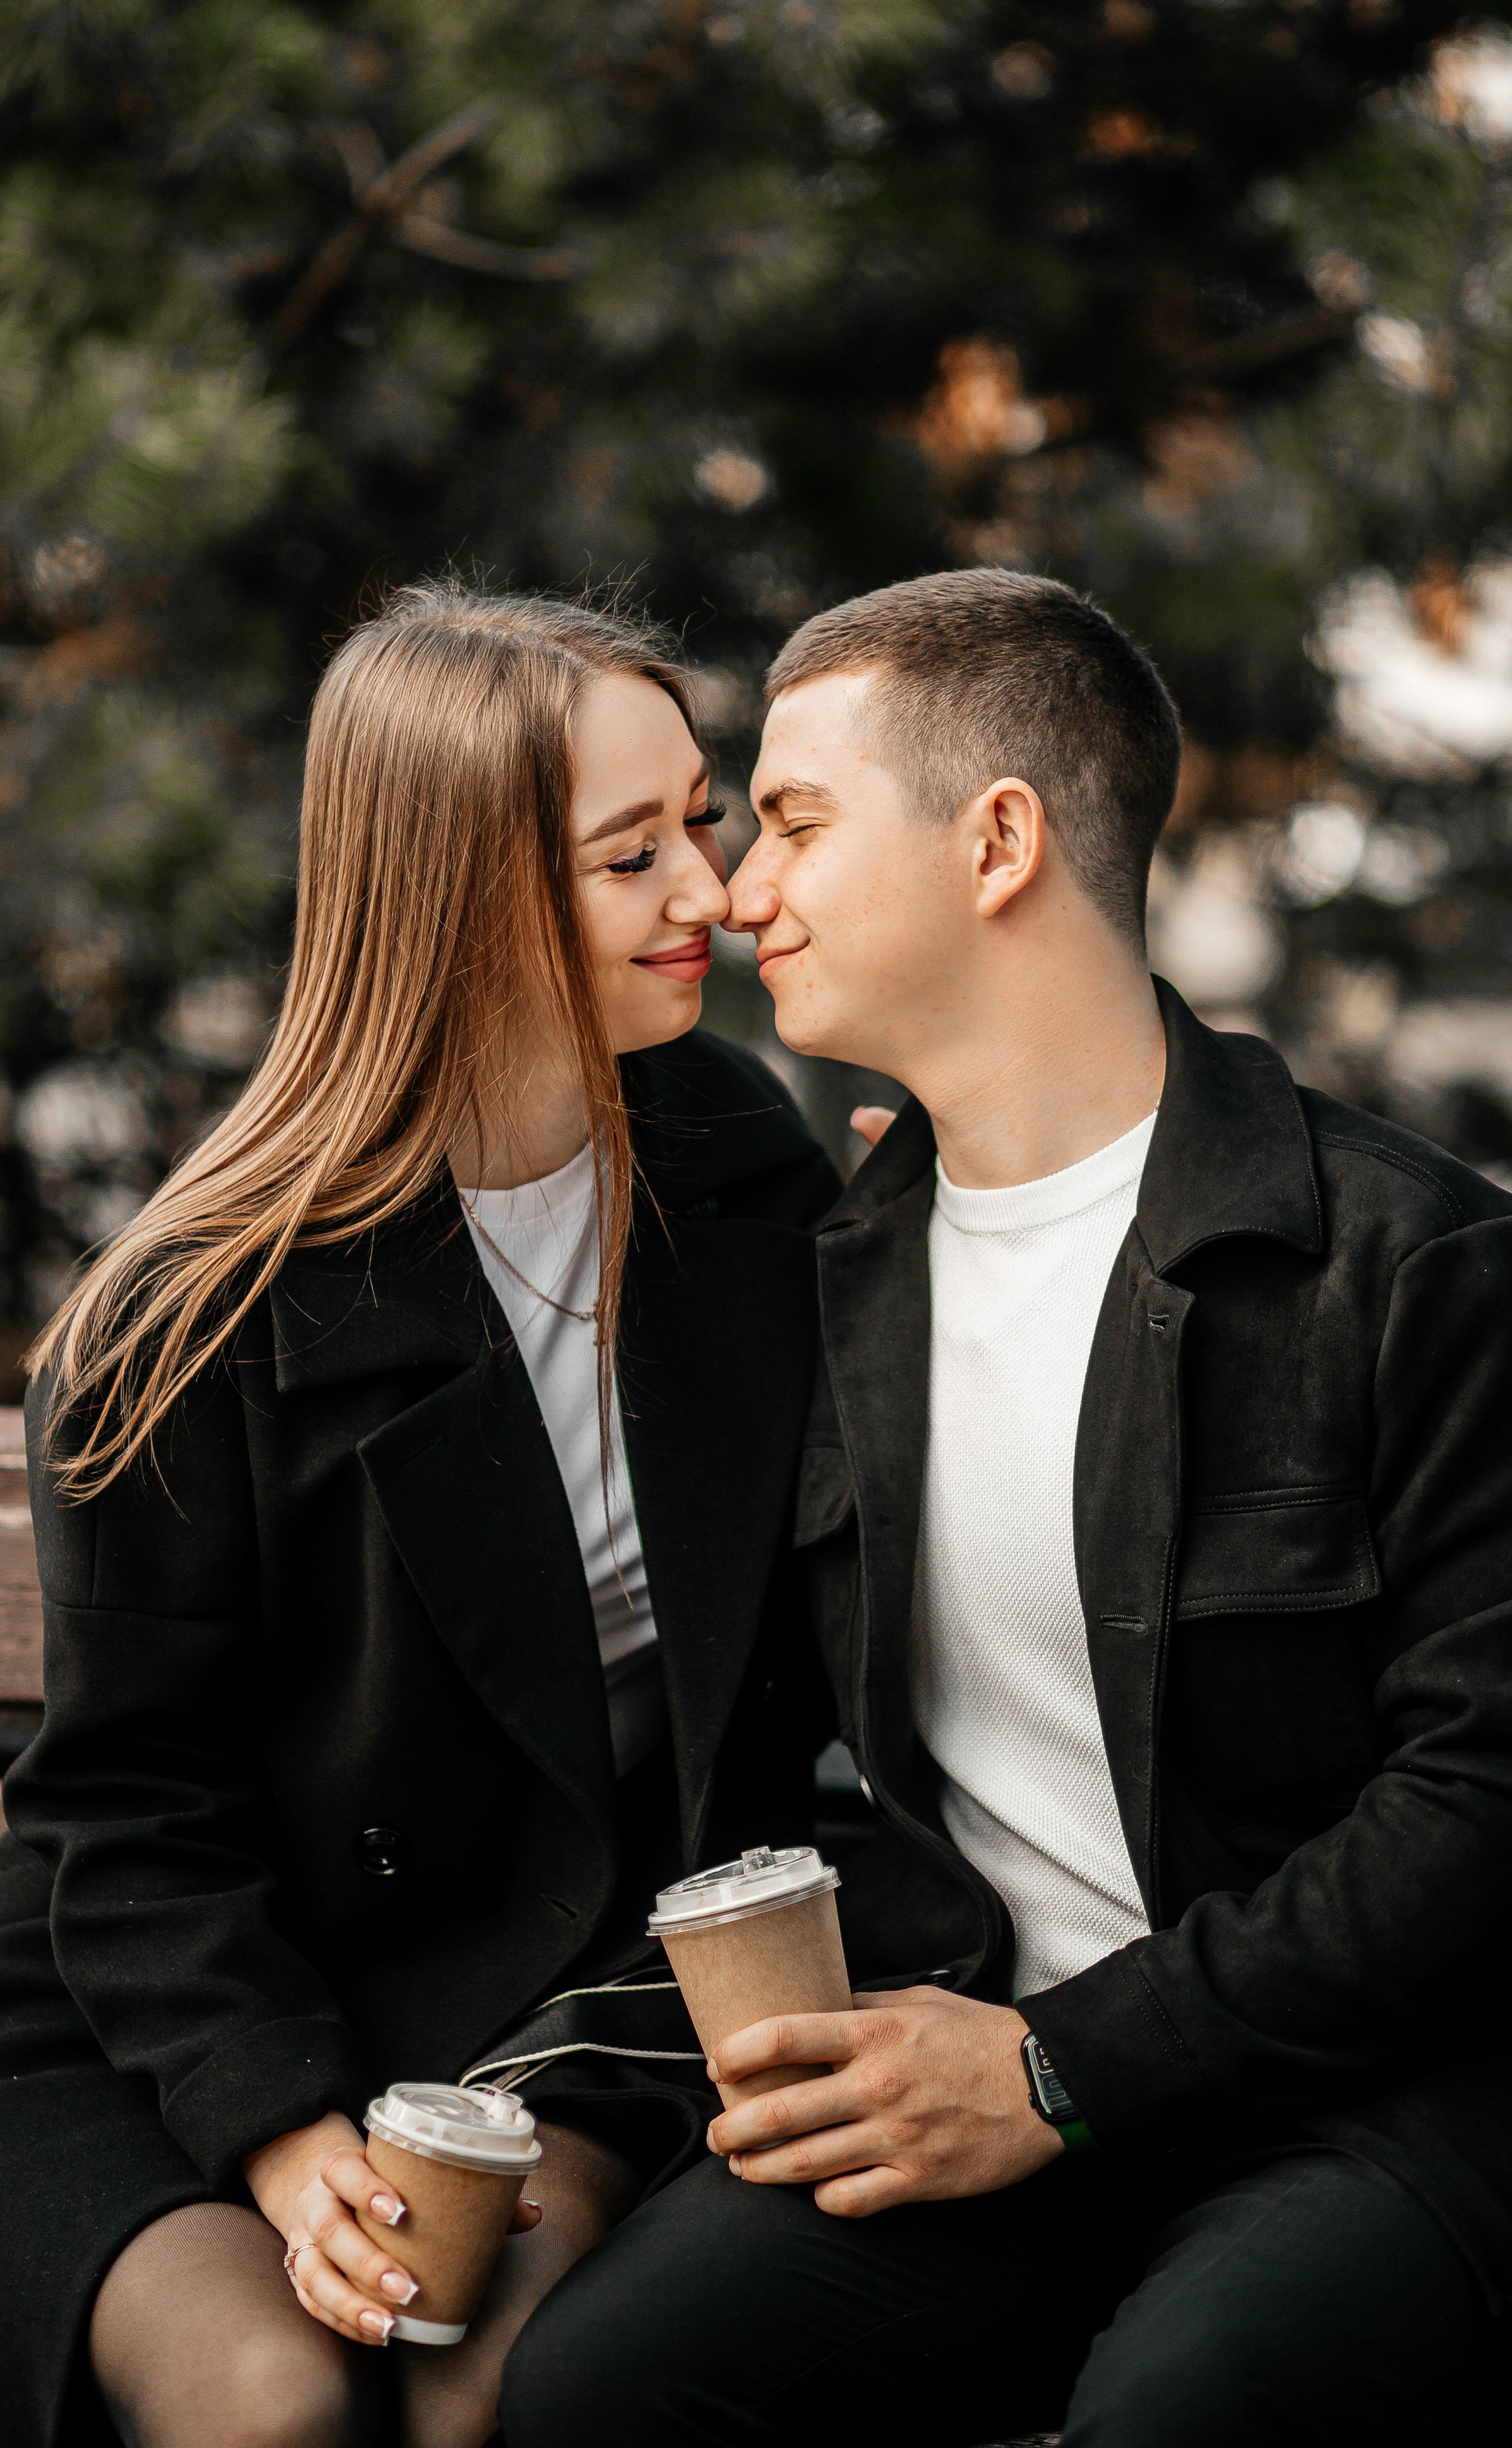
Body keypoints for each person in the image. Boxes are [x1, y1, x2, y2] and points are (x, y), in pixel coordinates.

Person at [0, 584, 841, 2448]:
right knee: (269, 2404)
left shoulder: (738, 1165)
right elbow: (129, 1810)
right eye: (630, 855)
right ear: (463, 893)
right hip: (159, 2022)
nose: (714, 889)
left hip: (557, 2005)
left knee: (480, 2394)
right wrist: (277, 2135)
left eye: (702, 818)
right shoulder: (193, 1313)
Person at [500, 567, 1512, 2447]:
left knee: (1185, 2409)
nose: (735, 892)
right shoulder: (833, 1274)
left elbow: (1482, 1808)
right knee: (598, 2391)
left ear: (998, 843)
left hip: (1364, 2098)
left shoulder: (1409, 1266)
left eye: (794, 821)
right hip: (964, 2056)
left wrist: (1062, 2069)